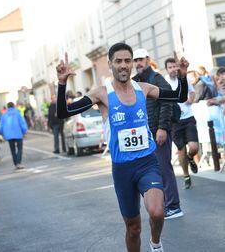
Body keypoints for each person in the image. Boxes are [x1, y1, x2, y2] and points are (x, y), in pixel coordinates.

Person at [56, 43, 188, 252]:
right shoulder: (101, 93)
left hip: (147, 163)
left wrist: (182, 77)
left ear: (132, 63)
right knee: (133, 228)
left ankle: (155, 244)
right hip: (122, 169)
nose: (124, 65)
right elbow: (64, 112)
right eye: (118, 61)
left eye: (128, 60)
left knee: (157, 212)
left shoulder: (143, 89)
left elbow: (178, 96)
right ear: (110, 64)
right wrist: (62, 84)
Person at [132, 49, 183, 220]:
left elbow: (168, 103)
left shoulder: (157, 78)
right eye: (135, 60)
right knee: (152, 170)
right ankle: (164, 205)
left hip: (158, 131)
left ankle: (174, 206)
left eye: (141, 59)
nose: (138, 63)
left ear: (148, 60)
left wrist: (162, 128)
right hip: (144, 133)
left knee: (163, 168)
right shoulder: (135, 81)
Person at [164, 57, 199, 189]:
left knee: (194, 147)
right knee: (181, 150)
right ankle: (186, 176)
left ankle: (191, 157)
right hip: (175, 121)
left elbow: (192, 92)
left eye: (175, 67)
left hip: (188, 117)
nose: (173, 69)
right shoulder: (165, 82)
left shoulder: (184, 78)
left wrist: (191, 99)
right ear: (167, 69)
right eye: (170, 67)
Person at [0, 102, 28, 170]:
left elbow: (1, 126)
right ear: (14, 106)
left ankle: (15, 163)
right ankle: (18, 162)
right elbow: (22, 123)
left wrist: (3, 134)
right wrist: (24, 132)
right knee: (20, 148)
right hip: (18, 133)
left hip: (9, 135)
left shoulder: (4, 115)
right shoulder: (18, 113)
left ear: (7, 107)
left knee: (12, 150)